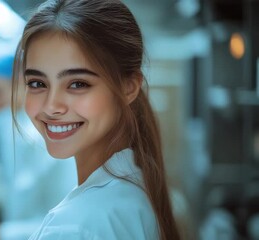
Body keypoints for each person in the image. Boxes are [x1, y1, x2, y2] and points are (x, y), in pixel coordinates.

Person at [11, 0, 181, 239]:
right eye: (37, 83)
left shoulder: (76, 225)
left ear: (129, 87)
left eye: (78, 84)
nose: (51, 107)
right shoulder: (133, 191)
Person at [0, 48, 77, 240]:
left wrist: (3, 233)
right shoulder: (8, 132)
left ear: (24, 88)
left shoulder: (45, 139)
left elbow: (67, 221)